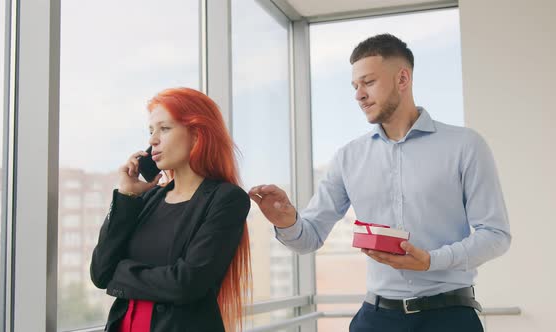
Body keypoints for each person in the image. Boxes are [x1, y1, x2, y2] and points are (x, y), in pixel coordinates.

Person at [248, 34, 511, 332]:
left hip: (449, 317)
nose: (358, 95)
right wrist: (287, 221)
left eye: (368, 82)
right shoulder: (348, 157)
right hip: (376, 319)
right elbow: (309, 237)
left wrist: (431, 261)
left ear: (402, 79)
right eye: (355, 86)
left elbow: (496, 234)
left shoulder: (465, 145)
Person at [90, 87, 251, 332]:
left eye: (164, 129)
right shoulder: (148, 198)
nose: (152, 140)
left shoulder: (226, 199)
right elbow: (101, 272)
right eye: (151, 131)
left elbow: (185, 284)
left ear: (197, 135)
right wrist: (127, 195)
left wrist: (120, 271)